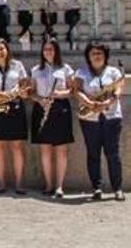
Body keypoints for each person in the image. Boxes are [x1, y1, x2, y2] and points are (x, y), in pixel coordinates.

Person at [73, 41, 124, 201]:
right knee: (93, 153)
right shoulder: (82, 72)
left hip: (111, 117)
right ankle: (97, 188)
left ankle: (117, 189)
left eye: (100, 53)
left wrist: (107, 103)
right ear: (88, 56)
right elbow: (77, 90)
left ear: (105, 55)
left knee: (113, 154)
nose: (97, 56)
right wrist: (90, 104)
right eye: (93, 53)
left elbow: (118, 89)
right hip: (89, 118)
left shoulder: (114, 71)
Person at [0, 38, 30, 194]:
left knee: (17, 147)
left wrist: (17, 92)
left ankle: (19, 184)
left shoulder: (18, 66)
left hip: (15, 107)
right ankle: (1, 184)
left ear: (7, 50)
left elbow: (25, 86)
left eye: (1, 49)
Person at [29, 38, 74, 198]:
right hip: (42, 108)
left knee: (61, 149)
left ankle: (59, 186)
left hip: (60, 109)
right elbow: (31, 92)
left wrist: (59, 93)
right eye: (46, 49)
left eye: (52, 49)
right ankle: (48, 184)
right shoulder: (35, 70)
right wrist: (40, 99)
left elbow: (72, 90)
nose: (49, 52)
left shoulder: (65, 69)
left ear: (57, 51)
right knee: (45, 149)